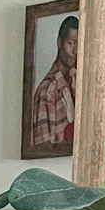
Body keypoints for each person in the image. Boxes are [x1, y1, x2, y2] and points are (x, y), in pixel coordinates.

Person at [28, 14, 78, 151]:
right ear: (59, 43)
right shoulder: (48, 90)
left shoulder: (77, 84)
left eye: (80, 45)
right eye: (72, 43)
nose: (76, 51)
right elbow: (41, 151)